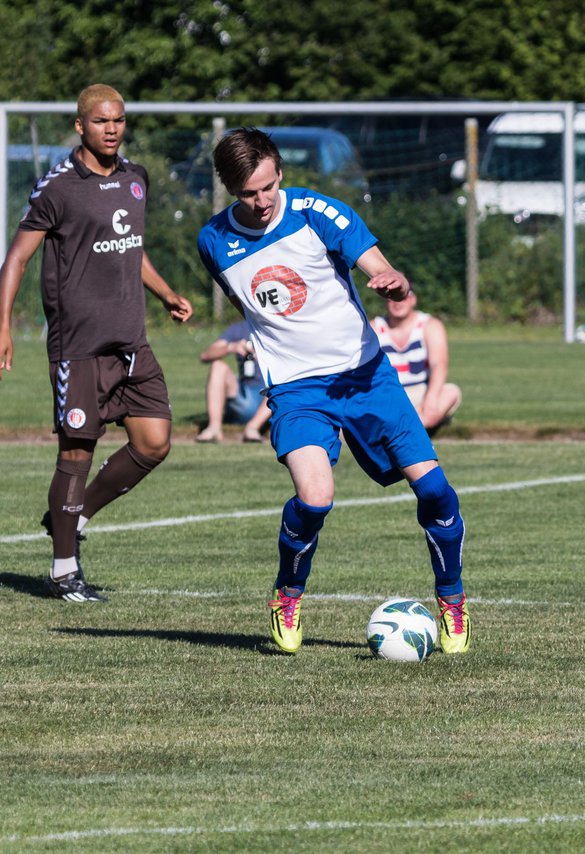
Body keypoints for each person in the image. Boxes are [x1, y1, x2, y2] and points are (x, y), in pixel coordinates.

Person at [196, 127, 471, 655]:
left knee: (435, 492)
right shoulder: (213, 240)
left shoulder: (318, 212)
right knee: (314, 497)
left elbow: (376, 262)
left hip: (366, 377)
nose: (261, 202)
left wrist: (390, 278)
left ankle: (453, 600)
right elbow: (247, 305)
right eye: (248, 194)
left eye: (269, 186)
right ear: (229, 189)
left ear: (279, 171)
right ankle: (287, 594)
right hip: (298, 391)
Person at [0, 83, 194, 602]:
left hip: (131, 344)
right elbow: (16, 259)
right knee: (76, 453)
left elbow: (131, 248)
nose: (112, 129)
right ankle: (63, 571)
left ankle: (72, 518)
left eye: (119, 120)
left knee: (154, 443)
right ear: (80, 126)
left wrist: (166, 292)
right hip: (78, 348)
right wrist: (2, 327)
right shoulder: (57, 187)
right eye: (102, 121)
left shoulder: (135, 178)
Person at [371, 290, 461, 433]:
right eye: (391, 297)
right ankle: (412, 431)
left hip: (421, 393)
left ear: (413, 299)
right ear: (385, 301)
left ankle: (405, 430)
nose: (397, 302)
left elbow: (439, 365)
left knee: (451, 392)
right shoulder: (374, 328)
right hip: (389, 394)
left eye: (402, 296)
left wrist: (430, 400)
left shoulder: (429, 325)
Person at [195, 319, 271, 443]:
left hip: (274, 399)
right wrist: (231, 347)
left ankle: (252, 428)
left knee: (283, 380)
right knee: (218, 366)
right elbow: (206, 355)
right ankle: (214, 428)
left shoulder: (277, 326)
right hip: (246, 396)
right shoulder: (240, 328)